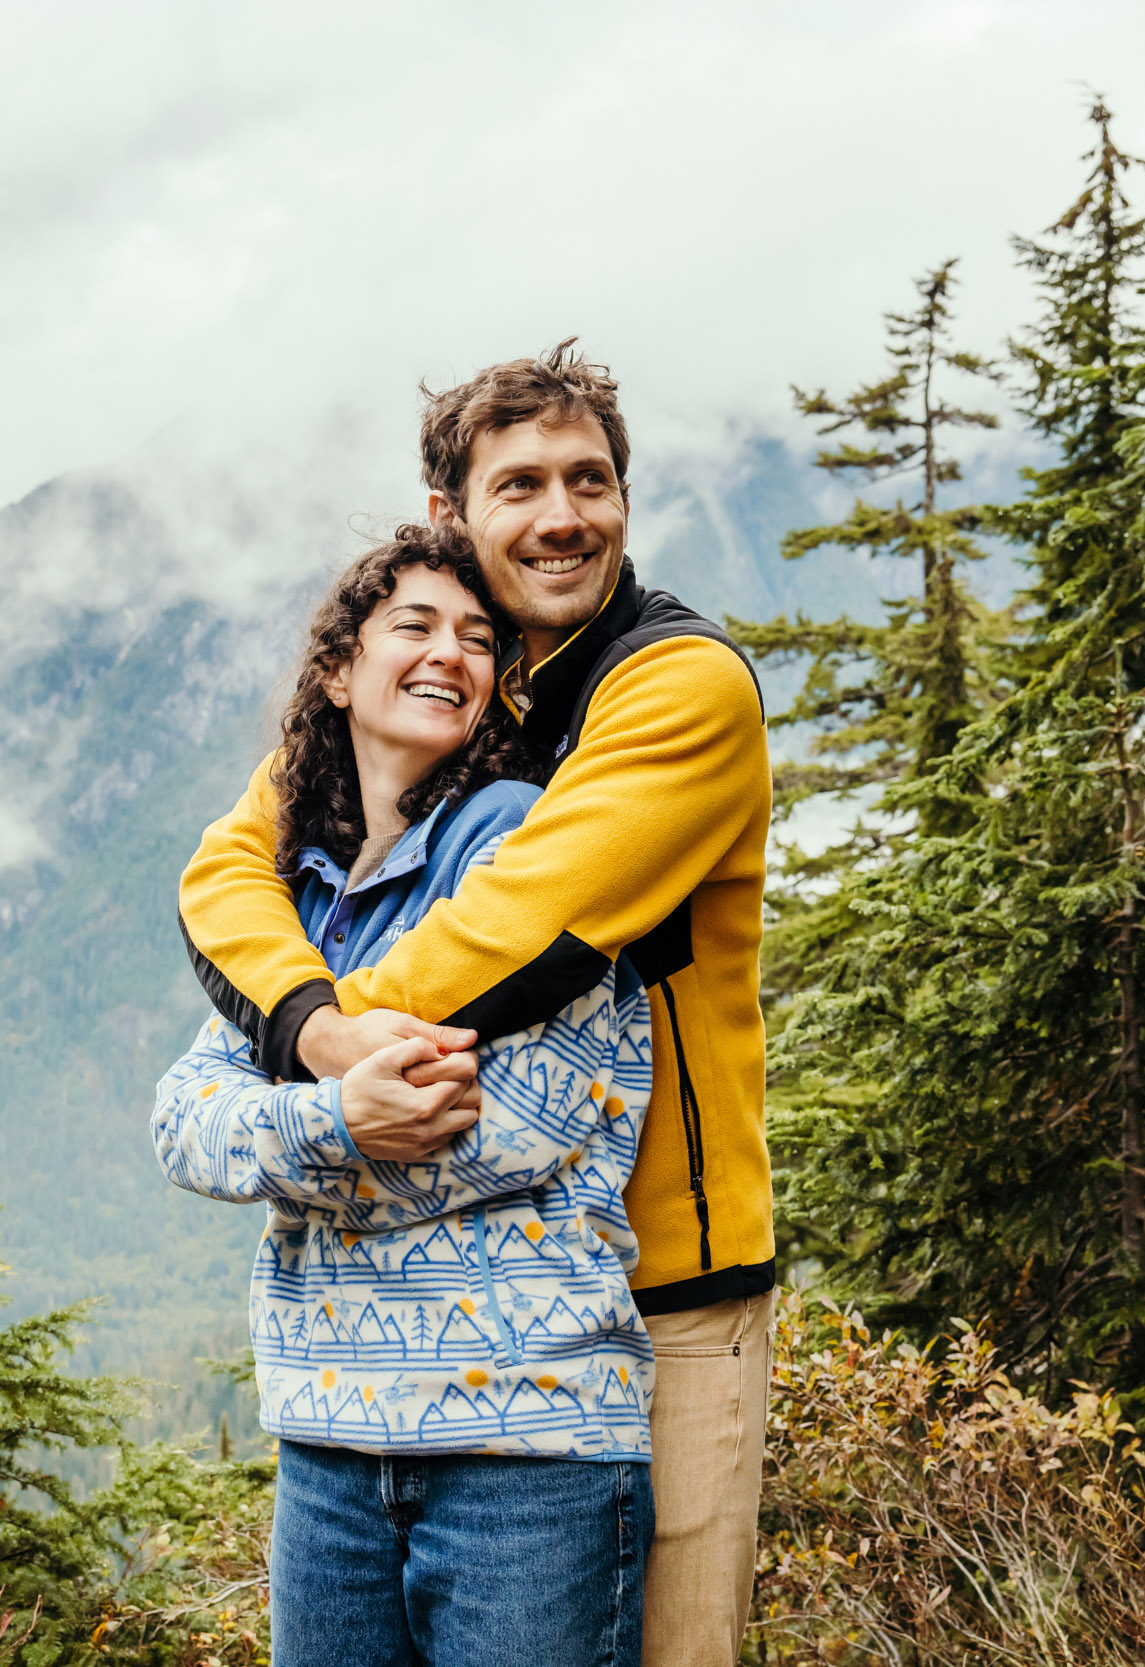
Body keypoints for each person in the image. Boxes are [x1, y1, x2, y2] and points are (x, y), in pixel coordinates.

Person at [178, 342, 775, 1666]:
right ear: (455, 515)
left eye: (592, 479)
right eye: (521, 484)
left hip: (660, 1297)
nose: (564, 513)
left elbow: (510, 941)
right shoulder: (455, 681)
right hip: (422, 1334)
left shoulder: (675, 686)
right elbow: (227, 868)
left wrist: (264, 1084)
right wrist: (317, 1041)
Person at [154, 530, 658, 1666]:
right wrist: (338, 1110)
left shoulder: (526, 849)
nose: (450, 654)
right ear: (340, 668)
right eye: (416, 627)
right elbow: (182, 1121)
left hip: (528, 1452)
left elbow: (509, 1125)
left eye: (479, 638)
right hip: (327, 1450)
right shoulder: (302, 897)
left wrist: (283, 1142)